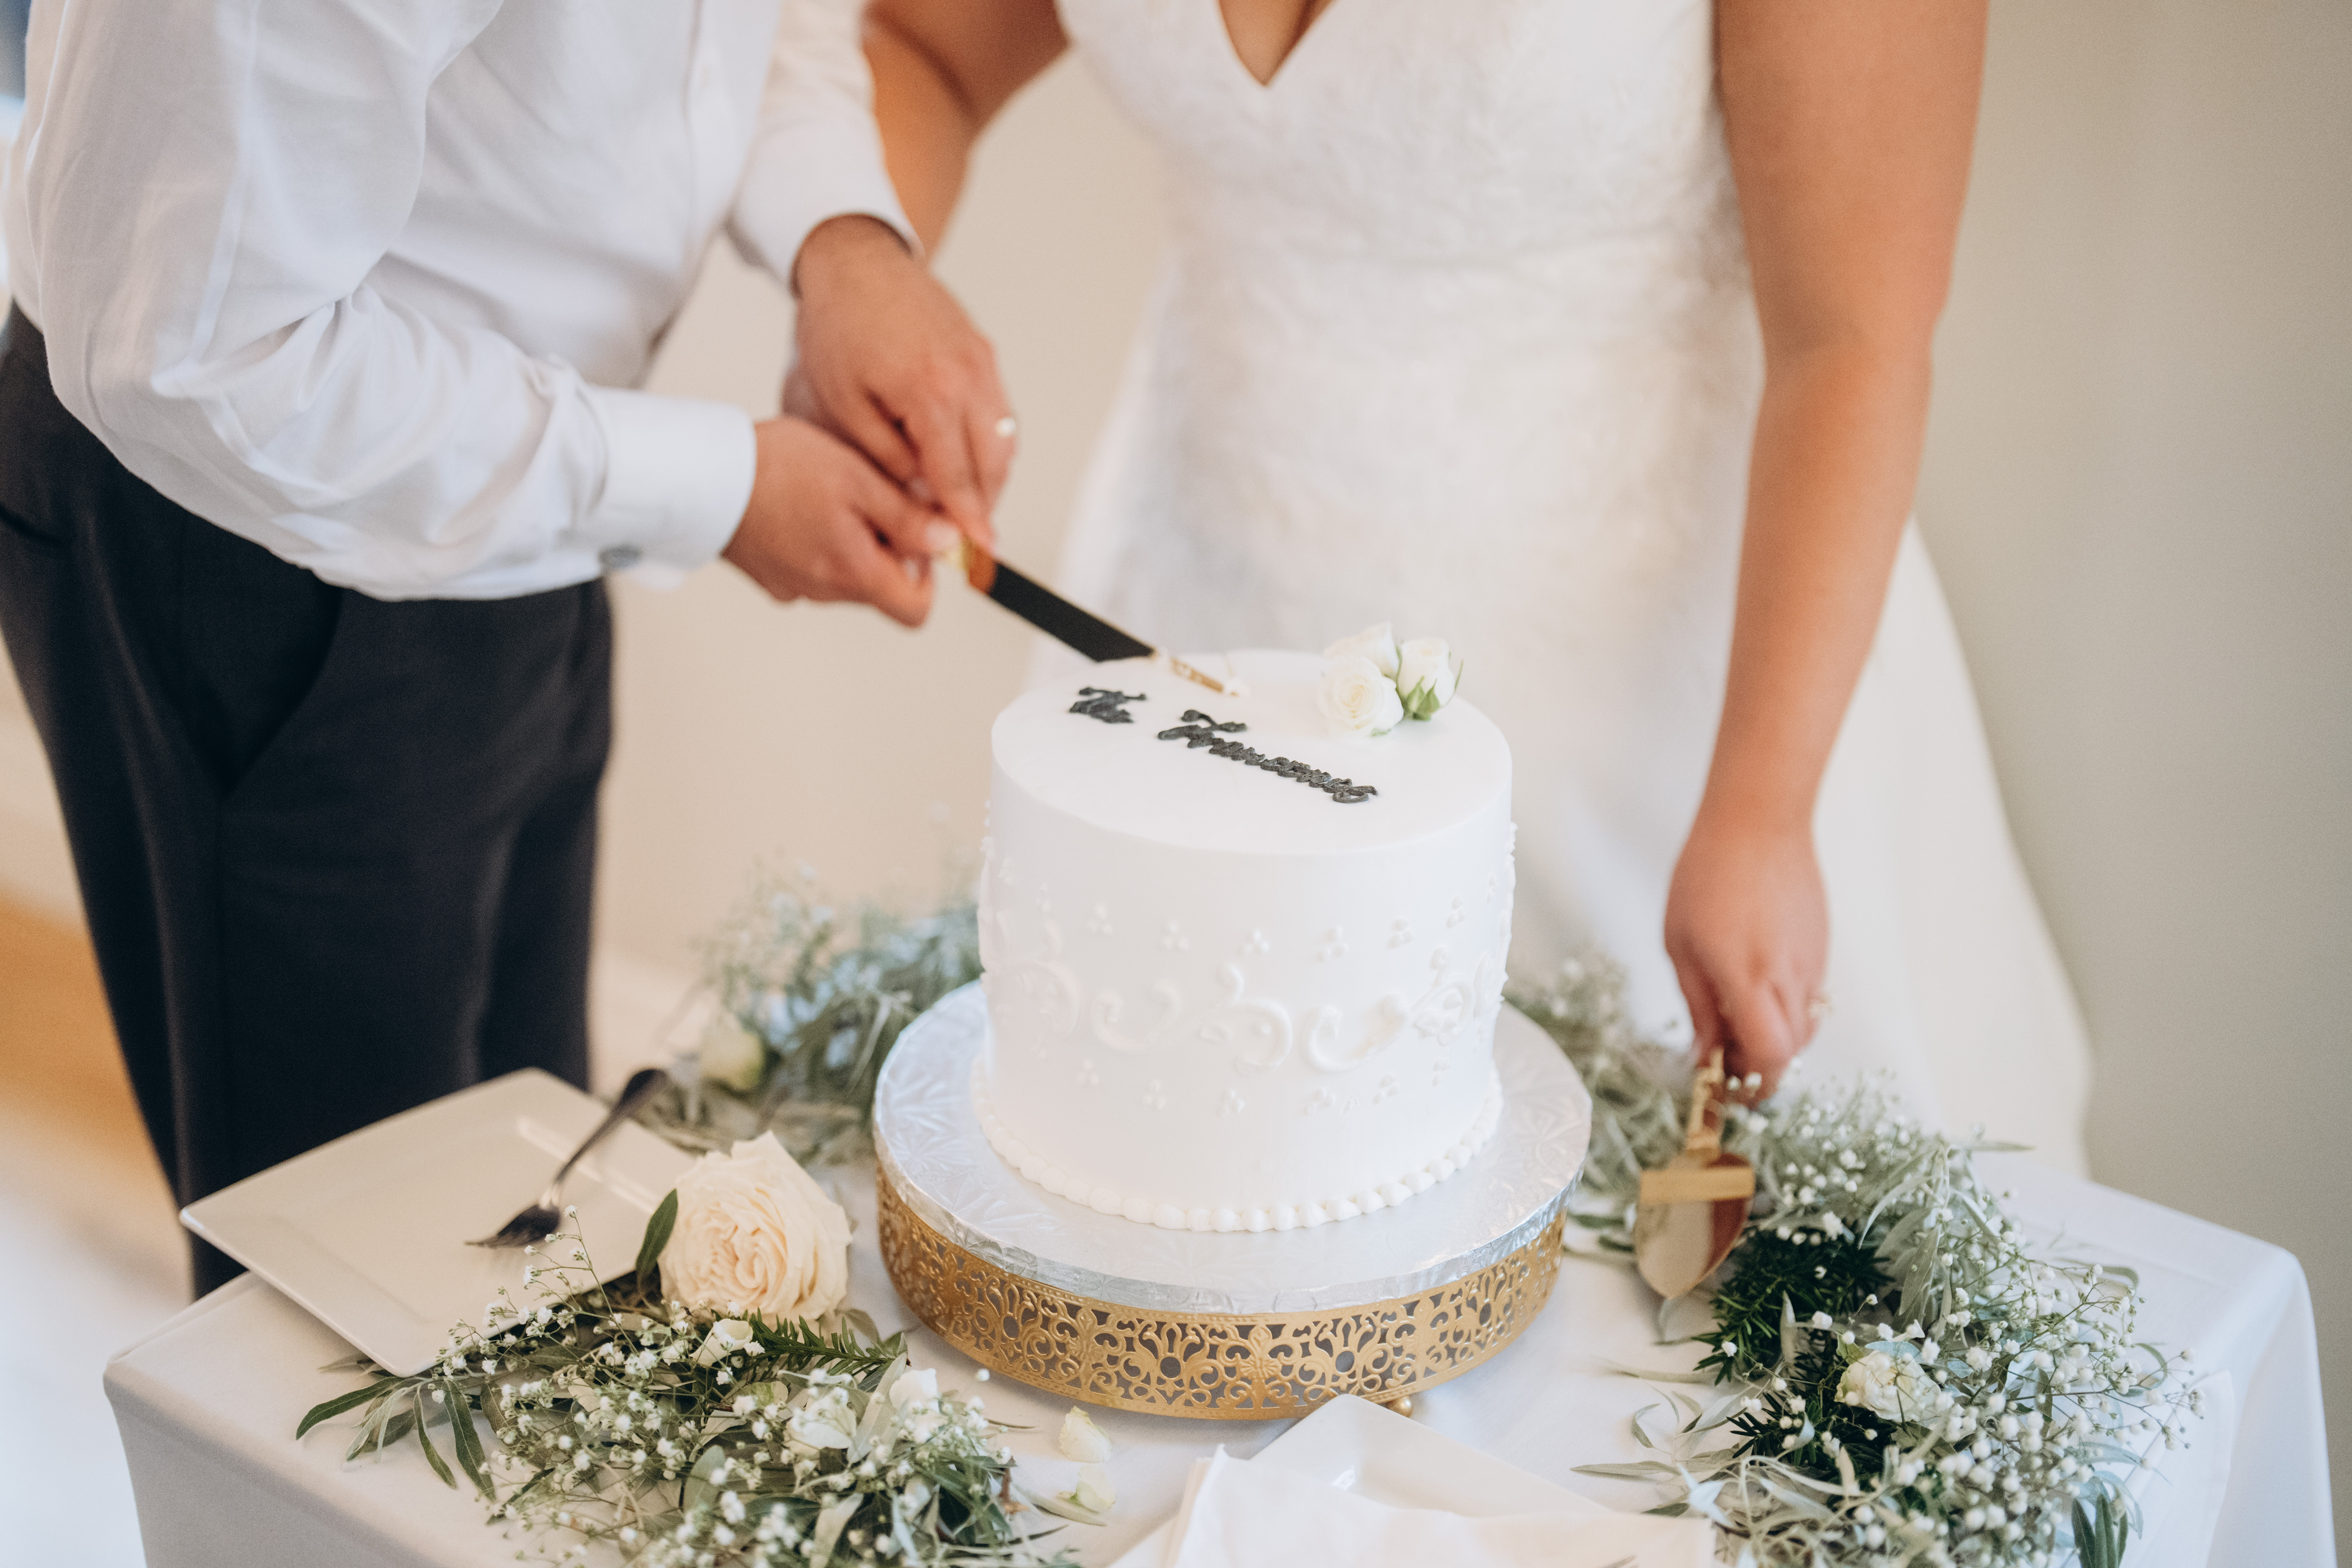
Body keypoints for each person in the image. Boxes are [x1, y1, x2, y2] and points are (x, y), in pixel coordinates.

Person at [851, 0, 2091, 1165]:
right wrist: (864, 275)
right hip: (1188, 645)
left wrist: (1764, 809)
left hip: (1668, 735)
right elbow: (925, 50)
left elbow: (1853, 340)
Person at [0, 0, 1014, 1293]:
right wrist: (716, 489)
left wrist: (845, 237)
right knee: (350, 1301)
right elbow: (192, 357)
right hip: (253, 528)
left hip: (534, 495)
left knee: (532, 1210)